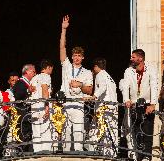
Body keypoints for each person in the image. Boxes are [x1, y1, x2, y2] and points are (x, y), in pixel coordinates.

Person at [59, 15, 93, 151]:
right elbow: (62, 48)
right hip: (66, 102)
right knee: (66, 132)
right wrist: (63, 29)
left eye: (79, 55)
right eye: (75, 55)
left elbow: (89, 91)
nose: (77, 57)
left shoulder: (87, 72)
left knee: (79, 132)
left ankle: (79, 154)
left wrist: (79, 85)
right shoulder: (67, 66)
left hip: (79, 104)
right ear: (72, 57)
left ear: (83, 58)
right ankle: (66, 154)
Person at [119, 49, 158, 161]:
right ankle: (138, 156)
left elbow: (154, 86)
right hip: (133, 104)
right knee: (136, 131)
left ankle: (147, 156)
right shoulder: (128, 71)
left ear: (140, 58)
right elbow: (125, 86)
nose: (131, 59)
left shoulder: (151, 69)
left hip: (147, 104)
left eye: (133, 57)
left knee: (147, 131)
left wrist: (153, 104)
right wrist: (126, 99)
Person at [88, 58, 118, 157]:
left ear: (96, 67)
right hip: (112, 107)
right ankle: (111, 154)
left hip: (103, 108)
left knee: (95, 131)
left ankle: (96, 153)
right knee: (110, 131)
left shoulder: (100, 75)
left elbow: (103, 87)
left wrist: (94, 96)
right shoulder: (109, 77)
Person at [30, 59, 53, 152]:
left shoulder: (34, 78)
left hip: (34, 107)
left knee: (36, 130)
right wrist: (46, 107)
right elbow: (44, 90)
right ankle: (45, 152)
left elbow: (30, 90)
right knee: (46, 129)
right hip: (42, 105)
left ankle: (37, 152)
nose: (51, 71)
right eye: (51, 69)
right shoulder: (46, 76)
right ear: (48, 67)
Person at [12, 64, 36, 152]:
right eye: (33, 71)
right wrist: (27, 91)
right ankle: (20, 153)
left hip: (28, 114)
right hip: (22, 114)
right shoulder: (20, 82)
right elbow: (17, 95)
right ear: (27, 72)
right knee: (23, 134)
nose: (35, 73)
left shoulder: (30, 83)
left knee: (29, 135)